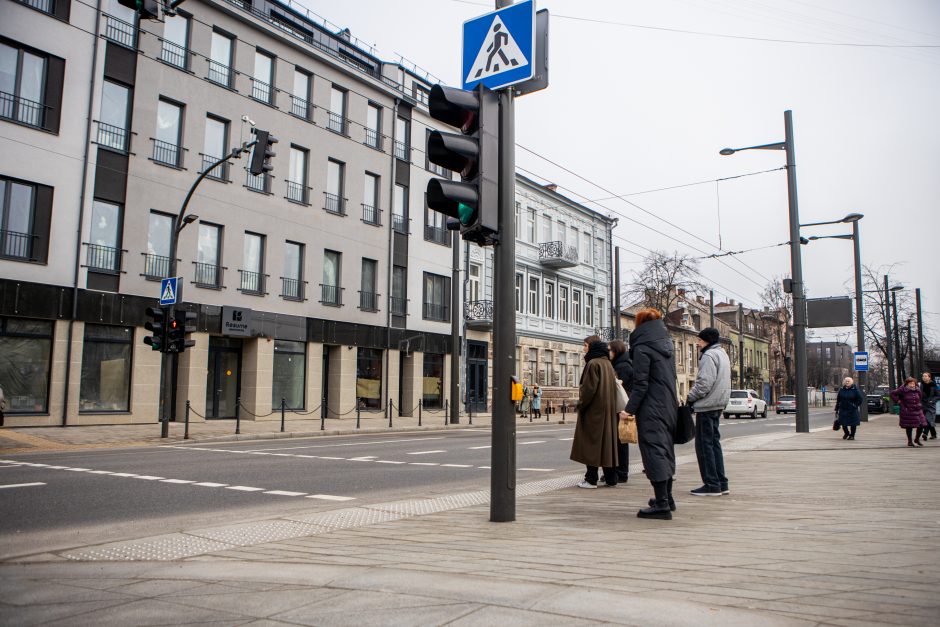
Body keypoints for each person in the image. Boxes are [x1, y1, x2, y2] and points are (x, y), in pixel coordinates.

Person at [624, 309, 678, 519]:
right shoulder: (667, 346)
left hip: (651, 408)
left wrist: (628, 410)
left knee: (654, 452)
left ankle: (662, 505)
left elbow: (641, 384)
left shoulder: (643, 348)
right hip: (668, 406)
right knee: (665, 450)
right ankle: (668, 498)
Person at [686, 327, 732, 497]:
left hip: (707, 404)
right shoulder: (722, 354)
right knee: (714, 443)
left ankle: (711, 484)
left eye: (699, 340)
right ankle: (721, 483)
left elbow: (704, 383)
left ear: (706, 341)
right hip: (718, 403)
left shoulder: (708, 356)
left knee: (704, 445)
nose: (697, 344)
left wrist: (690, 397)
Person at [570, 335, 620, 488]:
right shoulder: (608, 364)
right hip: (608, 410)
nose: (584, 349)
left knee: (590, 443)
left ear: (591, 347)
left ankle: (591, 478)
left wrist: (580, 405)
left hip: (594, 411)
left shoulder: (592, 364)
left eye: (585, 345)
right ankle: (611, 478)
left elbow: (588, 389)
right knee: (607, 445)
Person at [609, 339, 633, 484]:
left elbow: (619, 387)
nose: (608, 352)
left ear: (616, 351)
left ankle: (621, 472)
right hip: (623, 405)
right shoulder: (622, 363)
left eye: (610, 350)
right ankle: (621, 471)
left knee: (620, 441)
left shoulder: (622, 366)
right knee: (621, 440)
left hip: (622, 406)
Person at [891, 377, 926, 447]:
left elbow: (920, 397)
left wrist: (919, 404)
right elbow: (892, 393)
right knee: (909, 426)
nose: (912, 385)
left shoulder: (917, 389)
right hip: (907, 411)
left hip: (918, 410)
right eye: (910, 384)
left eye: (913, 383)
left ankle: (917, 439)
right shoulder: (902, 390)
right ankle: (910, 441)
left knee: (922, 425)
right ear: (907, 384)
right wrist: (898, 401)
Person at [835, 376, 864, 441]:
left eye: (848, 381)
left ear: (851, 382)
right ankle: (847, 433)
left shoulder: (855, 390)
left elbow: (860, 399)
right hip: (843, 408)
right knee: (842, 422)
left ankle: (852, 435)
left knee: (853, 423)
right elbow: (838, 400)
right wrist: (836, 408)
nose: (847, 382)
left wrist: (855, 405)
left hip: (852, 409)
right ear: (844, 382)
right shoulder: (841, 389)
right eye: (846, 381)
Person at [920, 372, 938, 440]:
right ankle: (934, 434)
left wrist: (932, 401)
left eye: (925, 376)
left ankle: (925, 433)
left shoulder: (933, 385)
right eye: (923, 376)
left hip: (930, 405)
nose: (924, 377)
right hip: (923, 405)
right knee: (927, 420)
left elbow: (938, 395)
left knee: (928, 419)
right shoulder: (921, 385)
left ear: (929, 377)